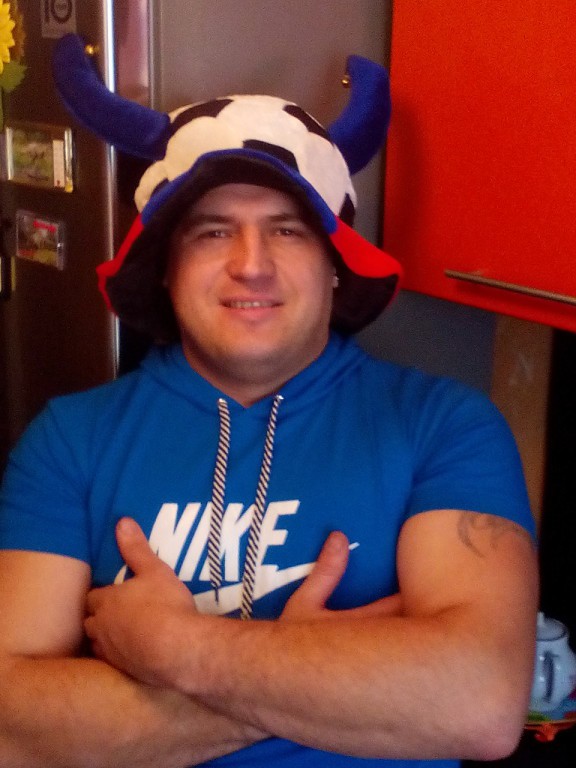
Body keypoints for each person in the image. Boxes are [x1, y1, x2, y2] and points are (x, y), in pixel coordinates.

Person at [0, 35, 538, 768]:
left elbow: (478, 703)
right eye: (212, 231)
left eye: (287, 230)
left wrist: (175, 649)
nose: (250, 265)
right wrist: (327, 672)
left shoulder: (446, 427)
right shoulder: (69, 440)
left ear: (335, 264)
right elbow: (12, 727)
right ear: (164, 267)